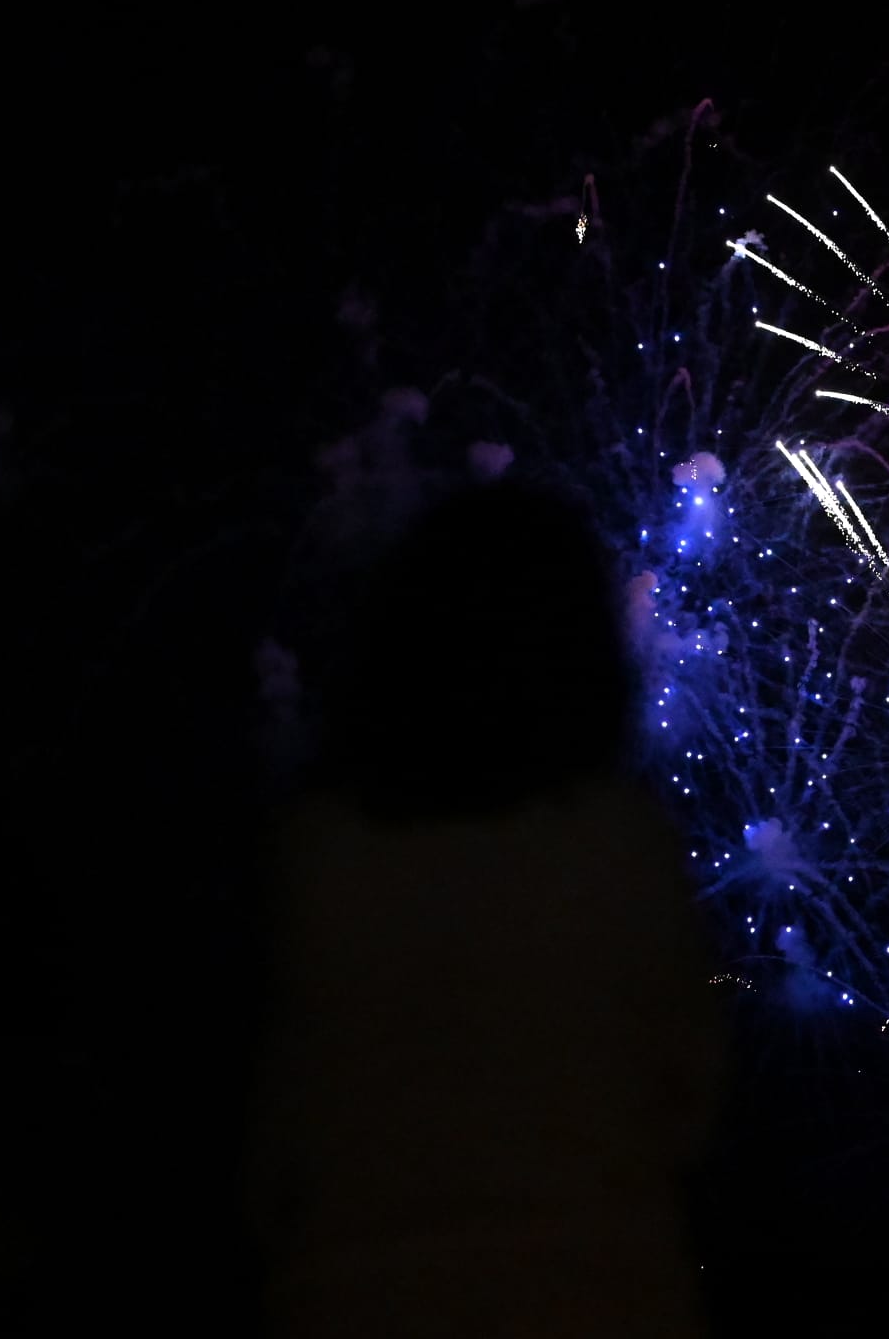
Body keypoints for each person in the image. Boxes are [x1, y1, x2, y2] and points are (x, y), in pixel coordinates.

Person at [250, 481, 722, 1337]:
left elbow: (263, 1131)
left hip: (353, 1301)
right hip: (603, 1298)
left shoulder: (307, 856)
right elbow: (690, 1105)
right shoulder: (622, 847)